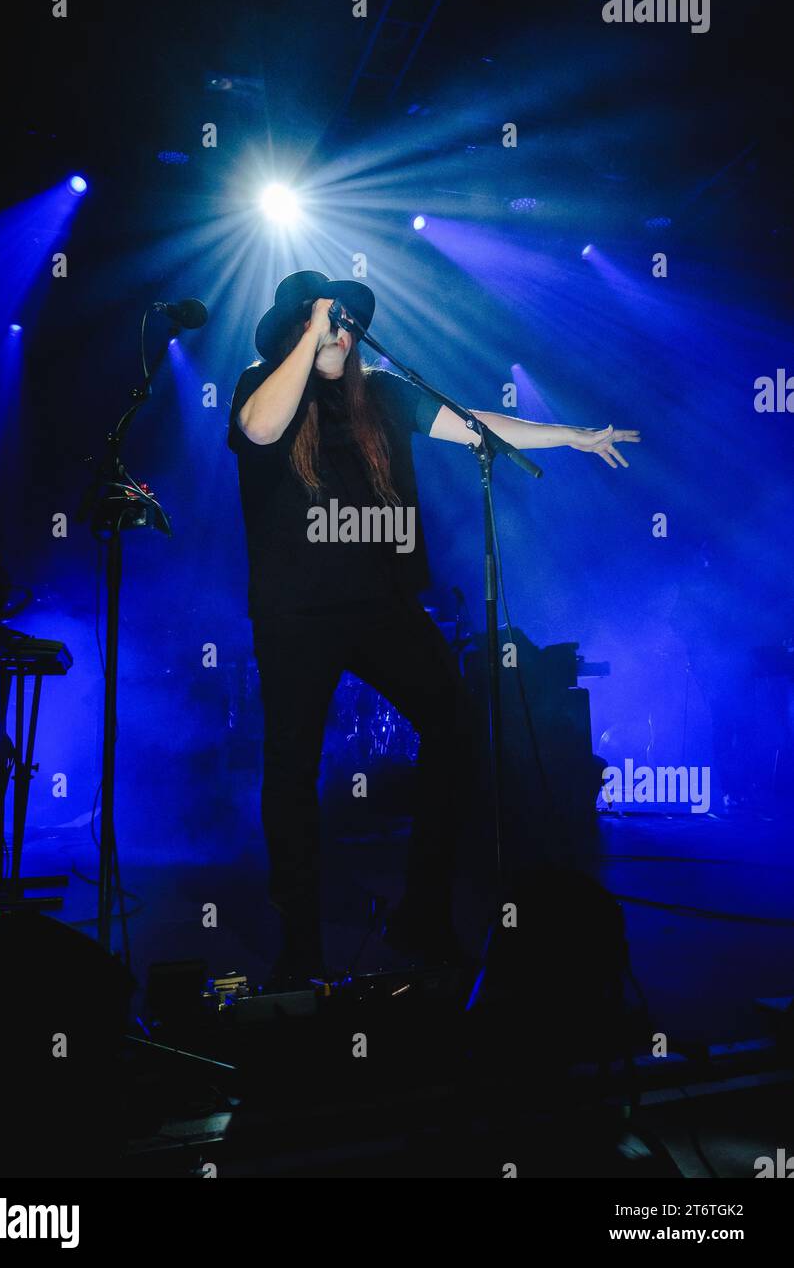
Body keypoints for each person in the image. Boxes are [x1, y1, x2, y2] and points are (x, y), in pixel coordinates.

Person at [229, 270, 640, 985]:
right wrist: (311, 330)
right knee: (291, 769)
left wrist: (570, 435)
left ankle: (423, 911)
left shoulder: (383, 394)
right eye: (327, 316)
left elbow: (478, 423)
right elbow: (261, 428)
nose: (342, 328)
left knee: (456, 728)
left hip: (383, 604)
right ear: (297, 326)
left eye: (350, 319)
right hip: (296, 612)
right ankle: (300, 942)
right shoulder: (259, 384)